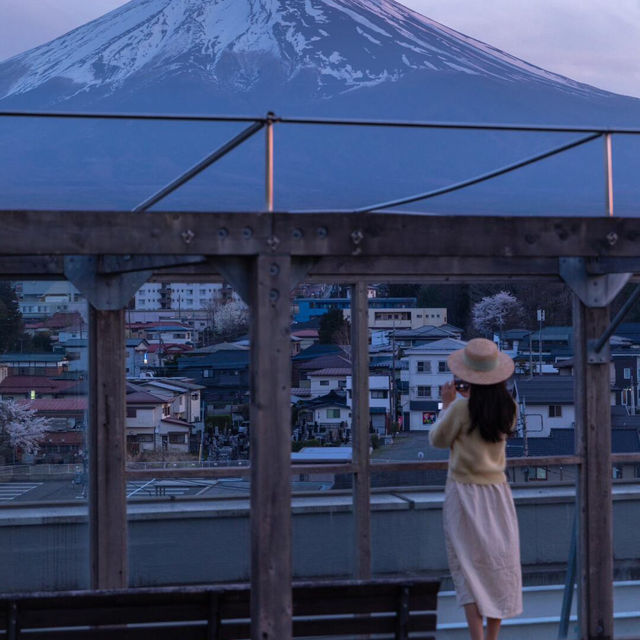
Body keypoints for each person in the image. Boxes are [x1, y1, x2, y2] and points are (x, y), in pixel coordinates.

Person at [429, 338, 522, 640]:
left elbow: (438, 440)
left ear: (467, 376)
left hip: (463, 494)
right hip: (498, 494)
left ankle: (476, 637)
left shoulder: (459, 409)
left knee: (468, 569)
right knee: (498, 568)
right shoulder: (510, 407)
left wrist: (447, 404)